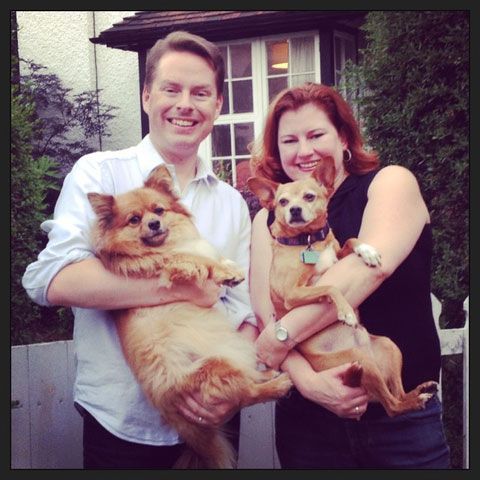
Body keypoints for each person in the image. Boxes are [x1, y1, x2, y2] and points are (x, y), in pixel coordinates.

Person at [22, 31, 258, 469]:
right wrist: (187, 286)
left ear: (217, 105)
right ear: (147, 96)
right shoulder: (99, 174)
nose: (186, 104)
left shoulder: (231, 202)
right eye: (172, 89)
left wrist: (233, 390)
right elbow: (52, 279)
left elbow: (245, 310)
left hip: (215, 410)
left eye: (200, 92)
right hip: (120, 424)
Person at [248, 82, 451, 469]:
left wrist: (279, 339)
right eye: (289, 140)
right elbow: (265, 311)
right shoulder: (269, 220)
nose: (303, 150)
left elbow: (367, 272)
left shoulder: (390, 183)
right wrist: (311, 385)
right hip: (310, 424)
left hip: (402, 423)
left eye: (316, 135)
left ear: (343, 137)